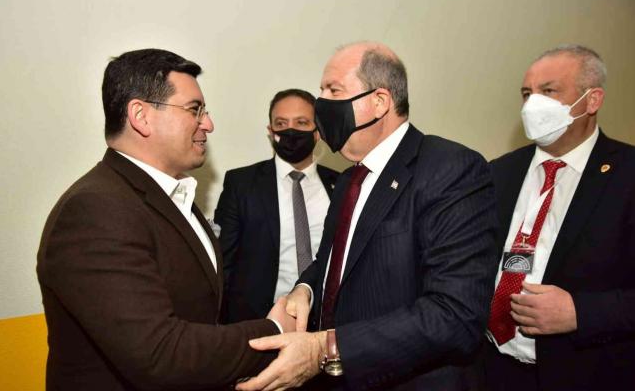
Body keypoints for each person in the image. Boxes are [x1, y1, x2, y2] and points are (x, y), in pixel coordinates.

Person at [236, 41, 498, 391]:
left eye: (333, 90)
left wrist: (325, 348)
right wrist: (304, 290)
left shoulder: (450, 170)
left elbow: (455, 315)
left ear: (379, 102)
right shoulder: (349, 179)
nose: (321, 103)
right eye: (321, 91)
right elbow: (332, 262)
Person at [36, 48, 294, 391]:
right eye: (194, 109)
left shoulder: (171, 197)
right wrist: (275, 331)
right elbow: (161, 354)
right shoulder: (94, 210)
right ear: (140, 116)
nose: (208, 124)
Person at [480, 44, 635, 390]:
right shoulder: (499, 172)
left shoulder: (627, 175)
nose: (532, 104)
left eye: (548, 91)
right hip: (492, 369)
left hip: (587, 374)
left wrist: (580, 312)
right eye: (527, 94)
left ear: (592, 100)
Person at [214, 89, 339, 324]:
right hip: (259, 323)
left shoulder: (341, 184)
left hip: (328, 322)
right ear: (270, 131)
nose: (291, 131)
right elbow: (224, 262)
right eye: (281, 123)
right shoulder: (242, 184)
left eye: (301, 123)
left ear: (318, 132)